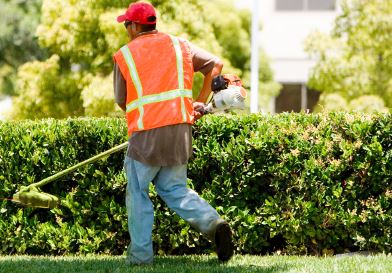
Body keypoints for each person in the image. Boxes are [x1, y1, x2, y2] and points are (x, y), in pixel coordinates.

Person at [113, 1, 234, 265]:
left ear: (134, 26)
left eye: (126, 24)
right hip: (180, 131)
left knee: (138, 193)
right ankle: (214, 224)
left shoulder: (126, 55)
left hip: (146, 136)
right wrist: (196, 104)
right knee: (175, 188)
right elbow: (216, 63)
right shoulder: (180, 45)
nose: (126, 29)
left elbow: (122, 100)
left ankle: (140, 258)